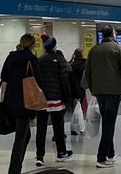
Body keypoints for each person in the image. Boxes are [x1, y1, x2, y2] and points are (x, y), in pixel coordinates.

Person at [83, 25, 121, 168]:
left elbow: (88, 72)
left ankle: (110, 153)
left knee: (107, 120)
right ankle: (101, 157)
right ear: (113, 34)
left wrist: (93, 87)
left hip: (99, 91)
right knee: (109, 124)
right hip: (114, 91)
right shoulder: (118, 49)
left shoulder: (94, 50)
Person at [0, 34, 41, 174]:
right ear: (32, 45)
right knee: (20, 138)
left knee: (24, 135)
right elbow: (37, 79)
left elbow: (3, 75)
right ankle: (14, 170)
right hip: (26, 102)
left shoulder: (11, 57)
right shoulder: (30, 59)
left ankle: (16, 168)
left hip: (11, 101)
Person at [34, 37, 74, 166]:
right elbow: (64, 81)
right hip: (56, 98)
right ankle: (61, 152)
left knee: (41, 127)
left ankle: (40, 156)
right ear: (54, 46)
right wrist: (67, 98)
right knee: (58, 126)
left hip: (42, 99)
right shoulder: (59, 59)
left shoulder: (39, 60)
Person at [69, 48, 87, 134]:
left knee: (75, 107)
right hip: (81, 87)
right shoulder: (85, 64)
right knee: (79, 107)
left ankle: (74, 126)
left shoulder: (71, 64)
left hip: (72, 87)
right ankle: (78, 126)